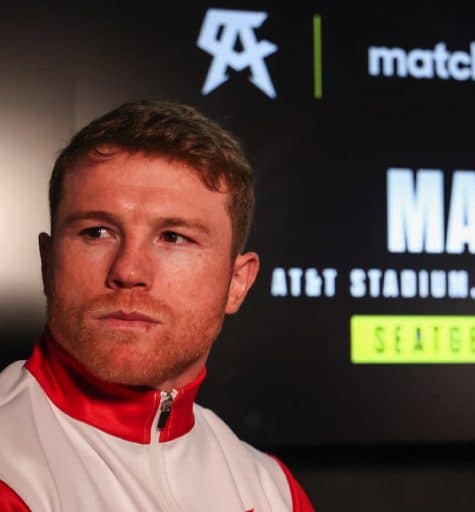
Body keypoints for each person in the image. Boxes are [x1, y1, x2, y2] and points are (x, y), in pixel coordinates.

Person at [0, 100, 315, 511]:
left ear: (237, 283)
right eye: (97, 232)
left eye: (173, 237)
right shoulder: (11, 469)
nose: (129, 270)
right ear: (47, 263)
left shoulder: (272, 490)